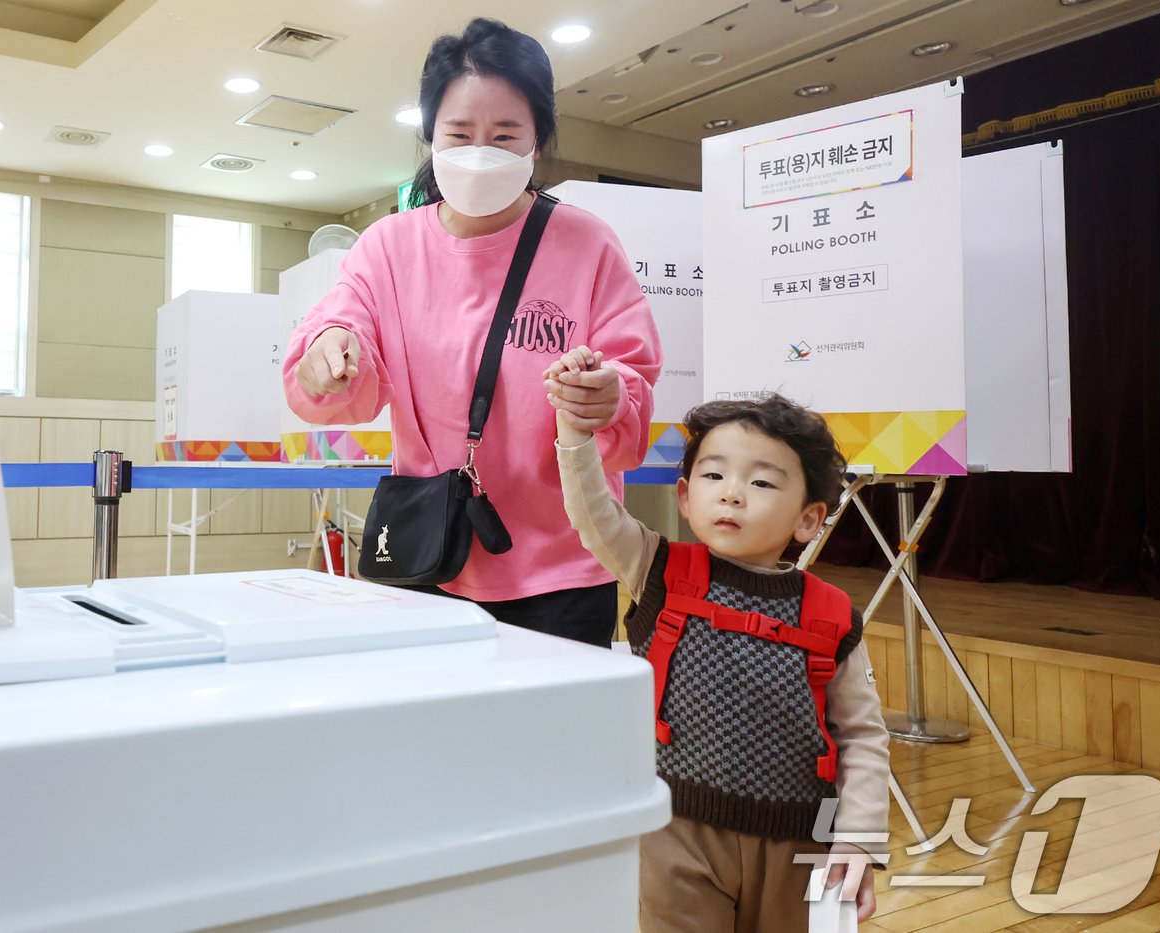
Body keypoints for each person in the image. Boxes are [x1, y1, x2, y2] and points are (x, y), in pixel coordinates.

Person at [283, 19, 662, 647]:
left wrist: (610, 395)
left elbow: (631, 379)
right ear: (431, 136)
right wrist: (328, 351)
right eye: (459, 134)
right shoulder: (389, 246)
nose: (480, 151)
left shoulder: (585, 242)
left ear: (536, 140)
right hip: (427, 557)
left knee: (547, 744)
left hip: (563, 569)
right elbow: (342, 328)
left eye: (505, 134)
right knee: (427, 742)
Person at [548, 348, 889, 931]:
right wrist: (575, 432)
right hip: (674, 830)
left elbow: (862, 736)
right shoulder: (657, 568)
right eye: (713, 475)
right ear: (685, 496)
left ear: (808, 519)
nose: (732, 493)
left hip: (795, 841)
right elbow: (592, 513)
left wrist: (858, 839)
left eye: (760, 481)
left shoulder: (832, 615)